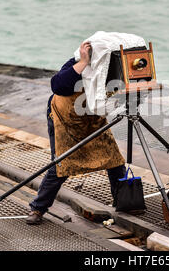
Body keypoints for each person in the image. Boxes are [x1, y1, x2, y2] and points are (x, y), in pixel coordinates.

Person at [26, 41, 126, 225]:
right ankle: (38, 208)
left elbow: (119, 92)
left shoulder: (114, 69)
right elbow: (57, 85)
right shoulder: (76, 62)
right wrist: (83, 62)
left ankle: (124, 203)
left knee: (114, 160)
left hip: (92, 119)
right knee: (61, 165)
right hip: (65, 119)